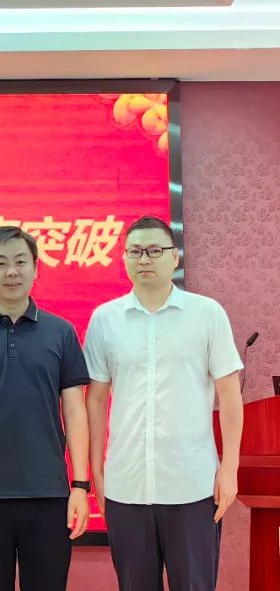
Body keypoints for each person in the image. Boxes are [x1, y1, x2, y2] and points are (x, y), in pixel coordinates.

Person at [84, 215, 243, 591]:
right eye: (135, 251)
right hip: (126, 486)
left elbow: (229, 396)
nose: (144, 259)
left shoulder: (207, 314)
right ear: (124, 258)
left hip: (192, 486)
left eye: (155, 250)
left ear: (175, 257)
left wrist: (230, 470)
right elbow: (95, 400)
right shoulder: (105, 319)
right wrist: (96, 470)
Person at [0, 226, 91, 591]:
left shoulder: (61, 332)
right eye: (1, 262)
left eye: (21, 262)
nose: (12, 271)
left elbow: (75, 412)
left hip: (49, 494)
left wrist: (80, 485)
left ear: (36, 268)